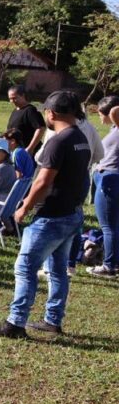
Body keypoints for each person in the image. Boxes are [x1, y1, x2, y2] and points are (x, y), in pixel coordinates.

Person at [0, 91, 90, 338]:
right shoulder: (80, 137)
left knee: (24, 268)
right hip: (71, 214)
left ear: (51, 113)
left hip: (51, 217)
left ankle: (15, 323)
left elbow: (42, 182)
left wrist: (24, 208)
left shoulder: (58, 141)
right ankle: (53, 320)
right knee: (57, 270)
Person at [89, 95, 119, 277]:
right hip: (107, 175)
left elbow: (115, 111)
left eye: (101, 114)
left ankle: (109, 266)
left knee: (108, 226)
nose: (100, 118)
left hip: (110, 178)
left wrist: (113, 108)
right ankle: (113, 261)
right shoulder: (115, 128)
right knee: (114, 225)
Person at [6, 85, 46, 154]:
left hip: (28, 153)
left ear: (23, 96)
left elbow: (41, 128)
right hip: (16, 152)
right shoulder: (15, 111)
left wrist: (30, 148)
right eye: (10, 99)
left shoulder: (30, 110)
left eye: (14, 98)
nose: (12, 101)